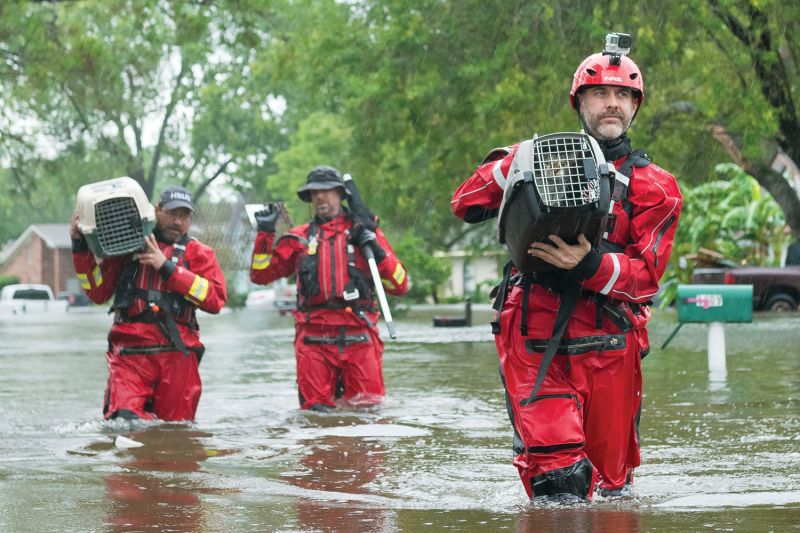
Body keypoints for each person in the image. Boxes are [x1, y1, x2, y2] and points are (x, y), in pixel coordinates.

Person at [451, 46, 682, 501]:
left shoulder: (656, 185)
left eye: (623, 94)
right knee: (559, 482)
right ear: (579, 102)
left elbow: (647, 277)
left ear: (636, 106)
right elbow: (465, 204)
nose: (612, 102)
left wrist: (589, 264)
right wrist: (519, 162)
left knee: (613, 492)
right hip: (535, 336)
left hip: (611, 342)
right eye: (599, 93)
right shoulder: (531, 157)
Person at [249, 165, 408, 411]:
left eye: (326, 191)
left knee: (369, 414)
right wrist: (265, 234)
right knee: (316, 419)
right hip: (314, 339)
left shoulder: (365, 232)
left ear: (340, 194)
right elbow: (260, 276)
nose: (319, 197)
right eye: (314, 193)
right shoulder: (298, 239)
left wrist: (376, 250)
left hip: (360, 335)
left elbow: (400, 285)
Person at [71, 185, 227, 421]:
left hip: (178, 357)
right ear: (157, 211)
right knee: (123, 423)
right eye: (173, 213)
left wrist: (166, 267)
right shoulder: (125, 249)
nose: (178, 221)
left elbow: (215, 300)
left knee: (176, 437)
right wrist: (79, 245)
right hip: (130, 356)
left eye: (184, 216)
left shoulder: (199, 253)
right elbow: (97, 293)